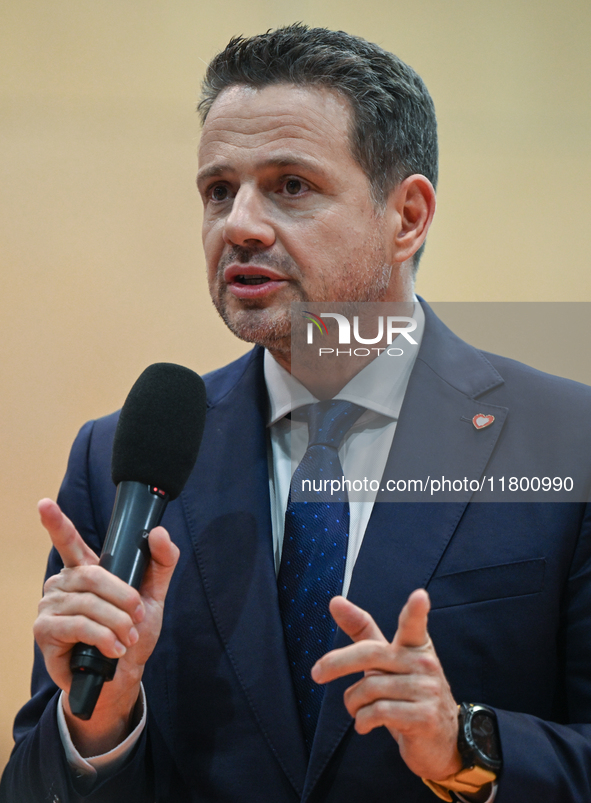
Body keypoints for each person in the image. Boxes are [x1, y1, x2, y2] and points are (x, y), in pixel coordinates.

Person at [2, 24, 591, 803]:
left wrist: (464, 746)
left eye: (289, 186)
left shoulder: (564, 437)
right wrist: (99, 728)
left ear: (406, 216)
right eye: (219, 190)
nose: (238, 224)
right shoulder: (125, 457)